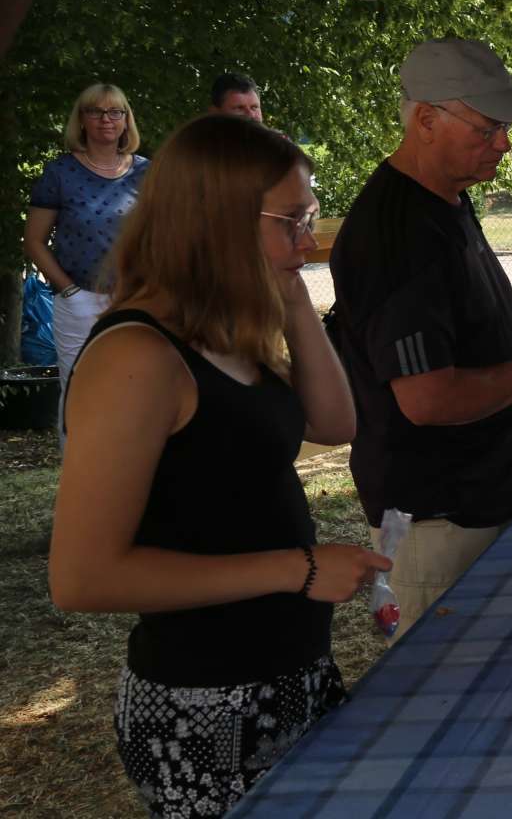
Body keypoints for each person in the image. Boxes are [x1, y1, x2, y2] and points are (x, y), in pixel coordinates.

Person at [48, 115, 390, 819]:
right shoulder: (137, 356)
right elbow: (82, 578)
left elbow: (335, 424)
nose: (309, 240)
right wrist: (295, 569)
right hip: (202, 703)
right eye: (291, 221)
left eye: (311, 216)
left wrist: (291, 293)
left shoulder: (224, 329)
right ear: (217, 222)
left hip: (287, 672)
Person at [329, 38, 512, 638]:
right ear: (426, 120)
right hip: (432, 519)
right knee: (444, 698)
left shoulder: (445, 201)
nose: (504, 142)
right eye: (488, 127)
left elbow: (461, 333)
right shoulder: (397, 232)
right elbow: (428, 399)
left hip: (470, 502)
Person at [25, 83, 150, 431]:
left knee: (136, 392)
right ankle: (80, 480)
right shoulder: (59, 174)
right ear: (81, 120)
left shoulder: (147, 173)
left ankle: (132, 478)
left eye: (115, 112)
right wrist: (68, 292)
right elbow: (34, 241)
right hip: (79, 299)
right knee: (81, 394)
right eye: (95, 111)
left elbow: (162, 236)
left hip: (135, 301)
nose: (105, 120)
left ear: (127, 121)